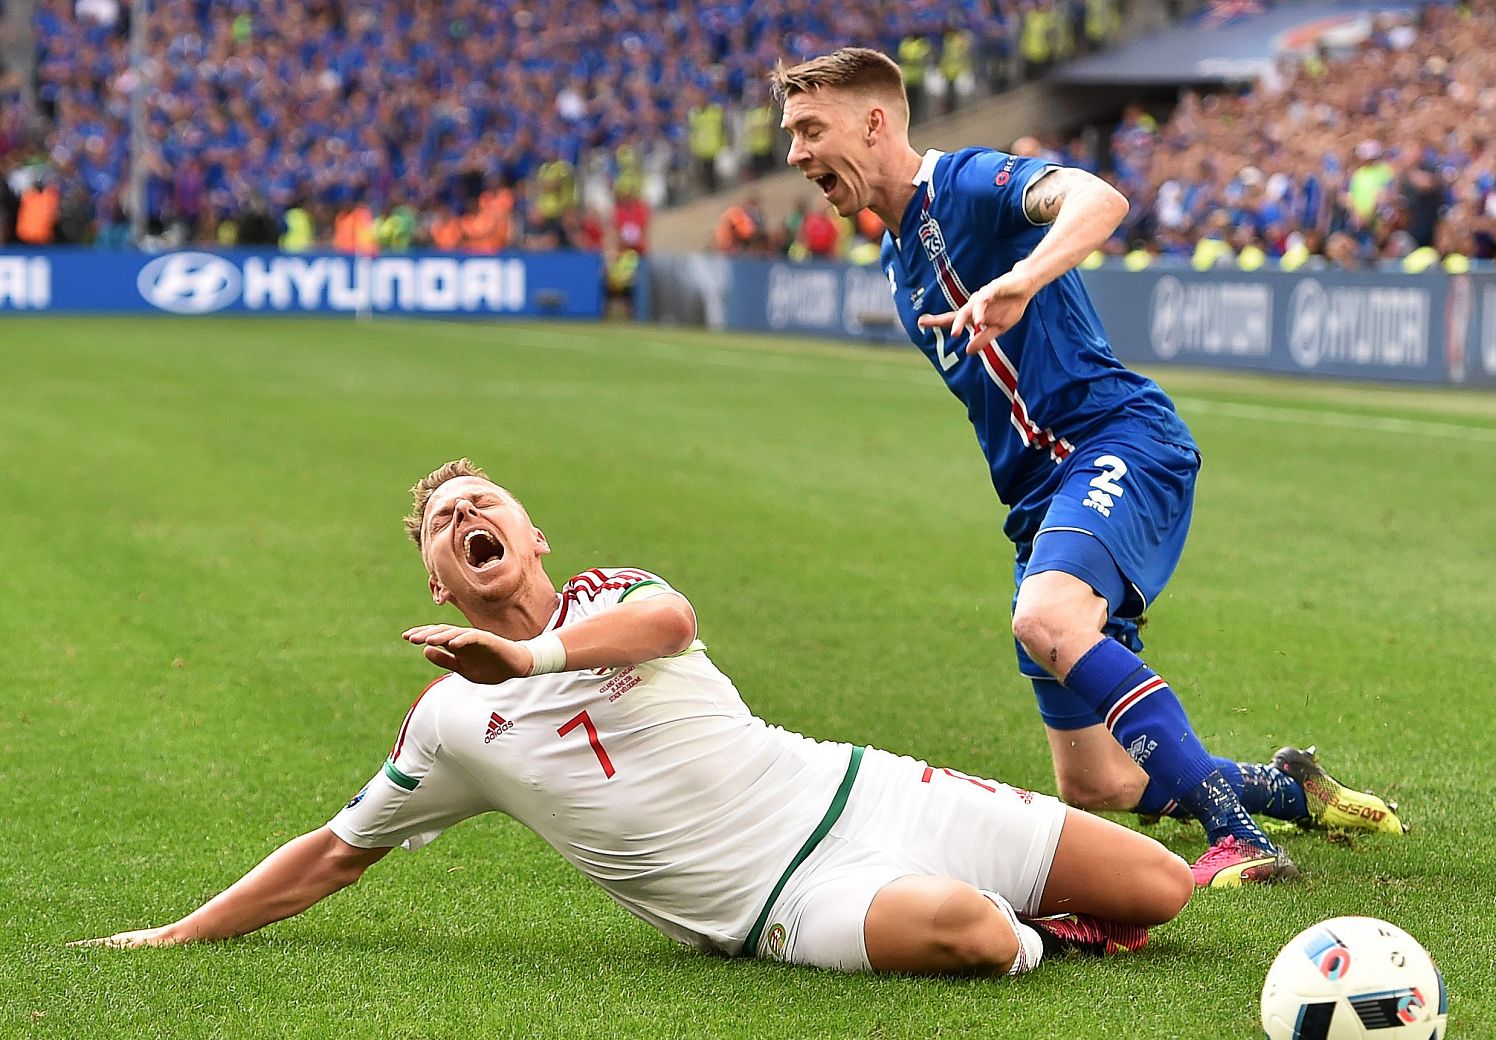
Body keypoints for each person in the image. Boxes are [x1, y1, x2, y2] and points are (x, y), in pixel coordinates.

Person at [73, 460, 1193, 977]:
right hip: (783, 901)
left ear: (533, 530)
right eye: (441, 523)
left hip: (859, 787)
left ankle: (1064, 908)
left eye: (482, 500)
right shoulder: (452, 723)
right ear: (435, 583)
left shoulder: (610, 593)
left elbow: (672, 622)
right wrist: (177, 932)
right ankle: (1040, 930)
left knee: (1161, 887)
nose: (465, 513)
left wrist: (530, 654)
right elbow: (330, 854)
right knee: (977, 932)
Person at [772, 48, 1405, 888]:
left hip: (1115, 444)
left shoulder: (961, 184)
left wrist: (1025, 277)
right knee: (1096, 782)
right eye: (790, 135)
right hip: (1040, 500)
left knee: (1047, 619)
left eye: (811, 129)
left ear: (875, 122)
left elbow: (1097, 197)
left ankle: (1241, 835)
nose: (796, 155)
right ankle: (1285, 789)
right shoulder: (897, 257)